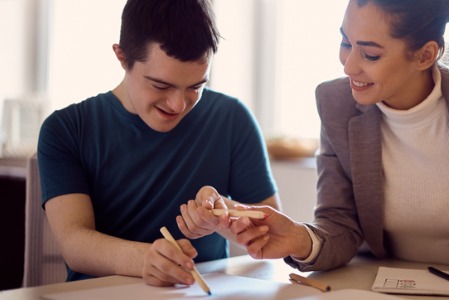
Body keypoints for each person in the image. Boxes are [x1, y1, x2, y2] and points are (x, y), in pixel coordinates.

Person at [230, 0, 449, 290]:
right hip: (374, 286)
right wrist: (301, 238)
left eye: (370, 54)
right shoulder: (334, 101)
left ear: (425, 55)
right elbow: (340, 222)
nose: (349, 65)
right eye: (346, 42)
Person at [37, 0, 280, 287]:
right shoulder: (67, 129)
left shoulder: (232, 118)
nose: (178, 105)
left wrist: (224, 216)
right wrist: (145, 260)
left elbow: (269, 228)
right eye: (161, 86)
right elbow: (74, 243)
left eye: (196, 87)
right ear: (122, 56)